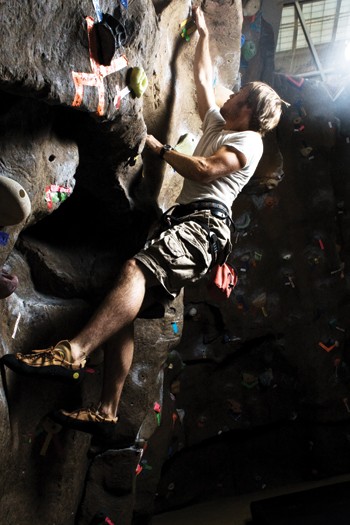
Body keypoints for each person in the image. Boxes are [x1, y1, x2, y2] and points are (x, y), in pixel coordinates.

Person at [1, 7, 283, 439]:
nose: (231, 94)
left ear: (249, 110)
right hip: (188, 222)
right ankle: (107, 409)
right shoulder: (219, 122)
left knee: (135, 270)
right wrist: (202, 36)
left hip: (205, 226)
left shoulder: (247, 141)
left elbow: (206, 170)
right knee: (126, 307)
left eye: (239, 95)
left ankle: (73, 353)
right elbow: (204, 80)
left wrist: (162, 149)